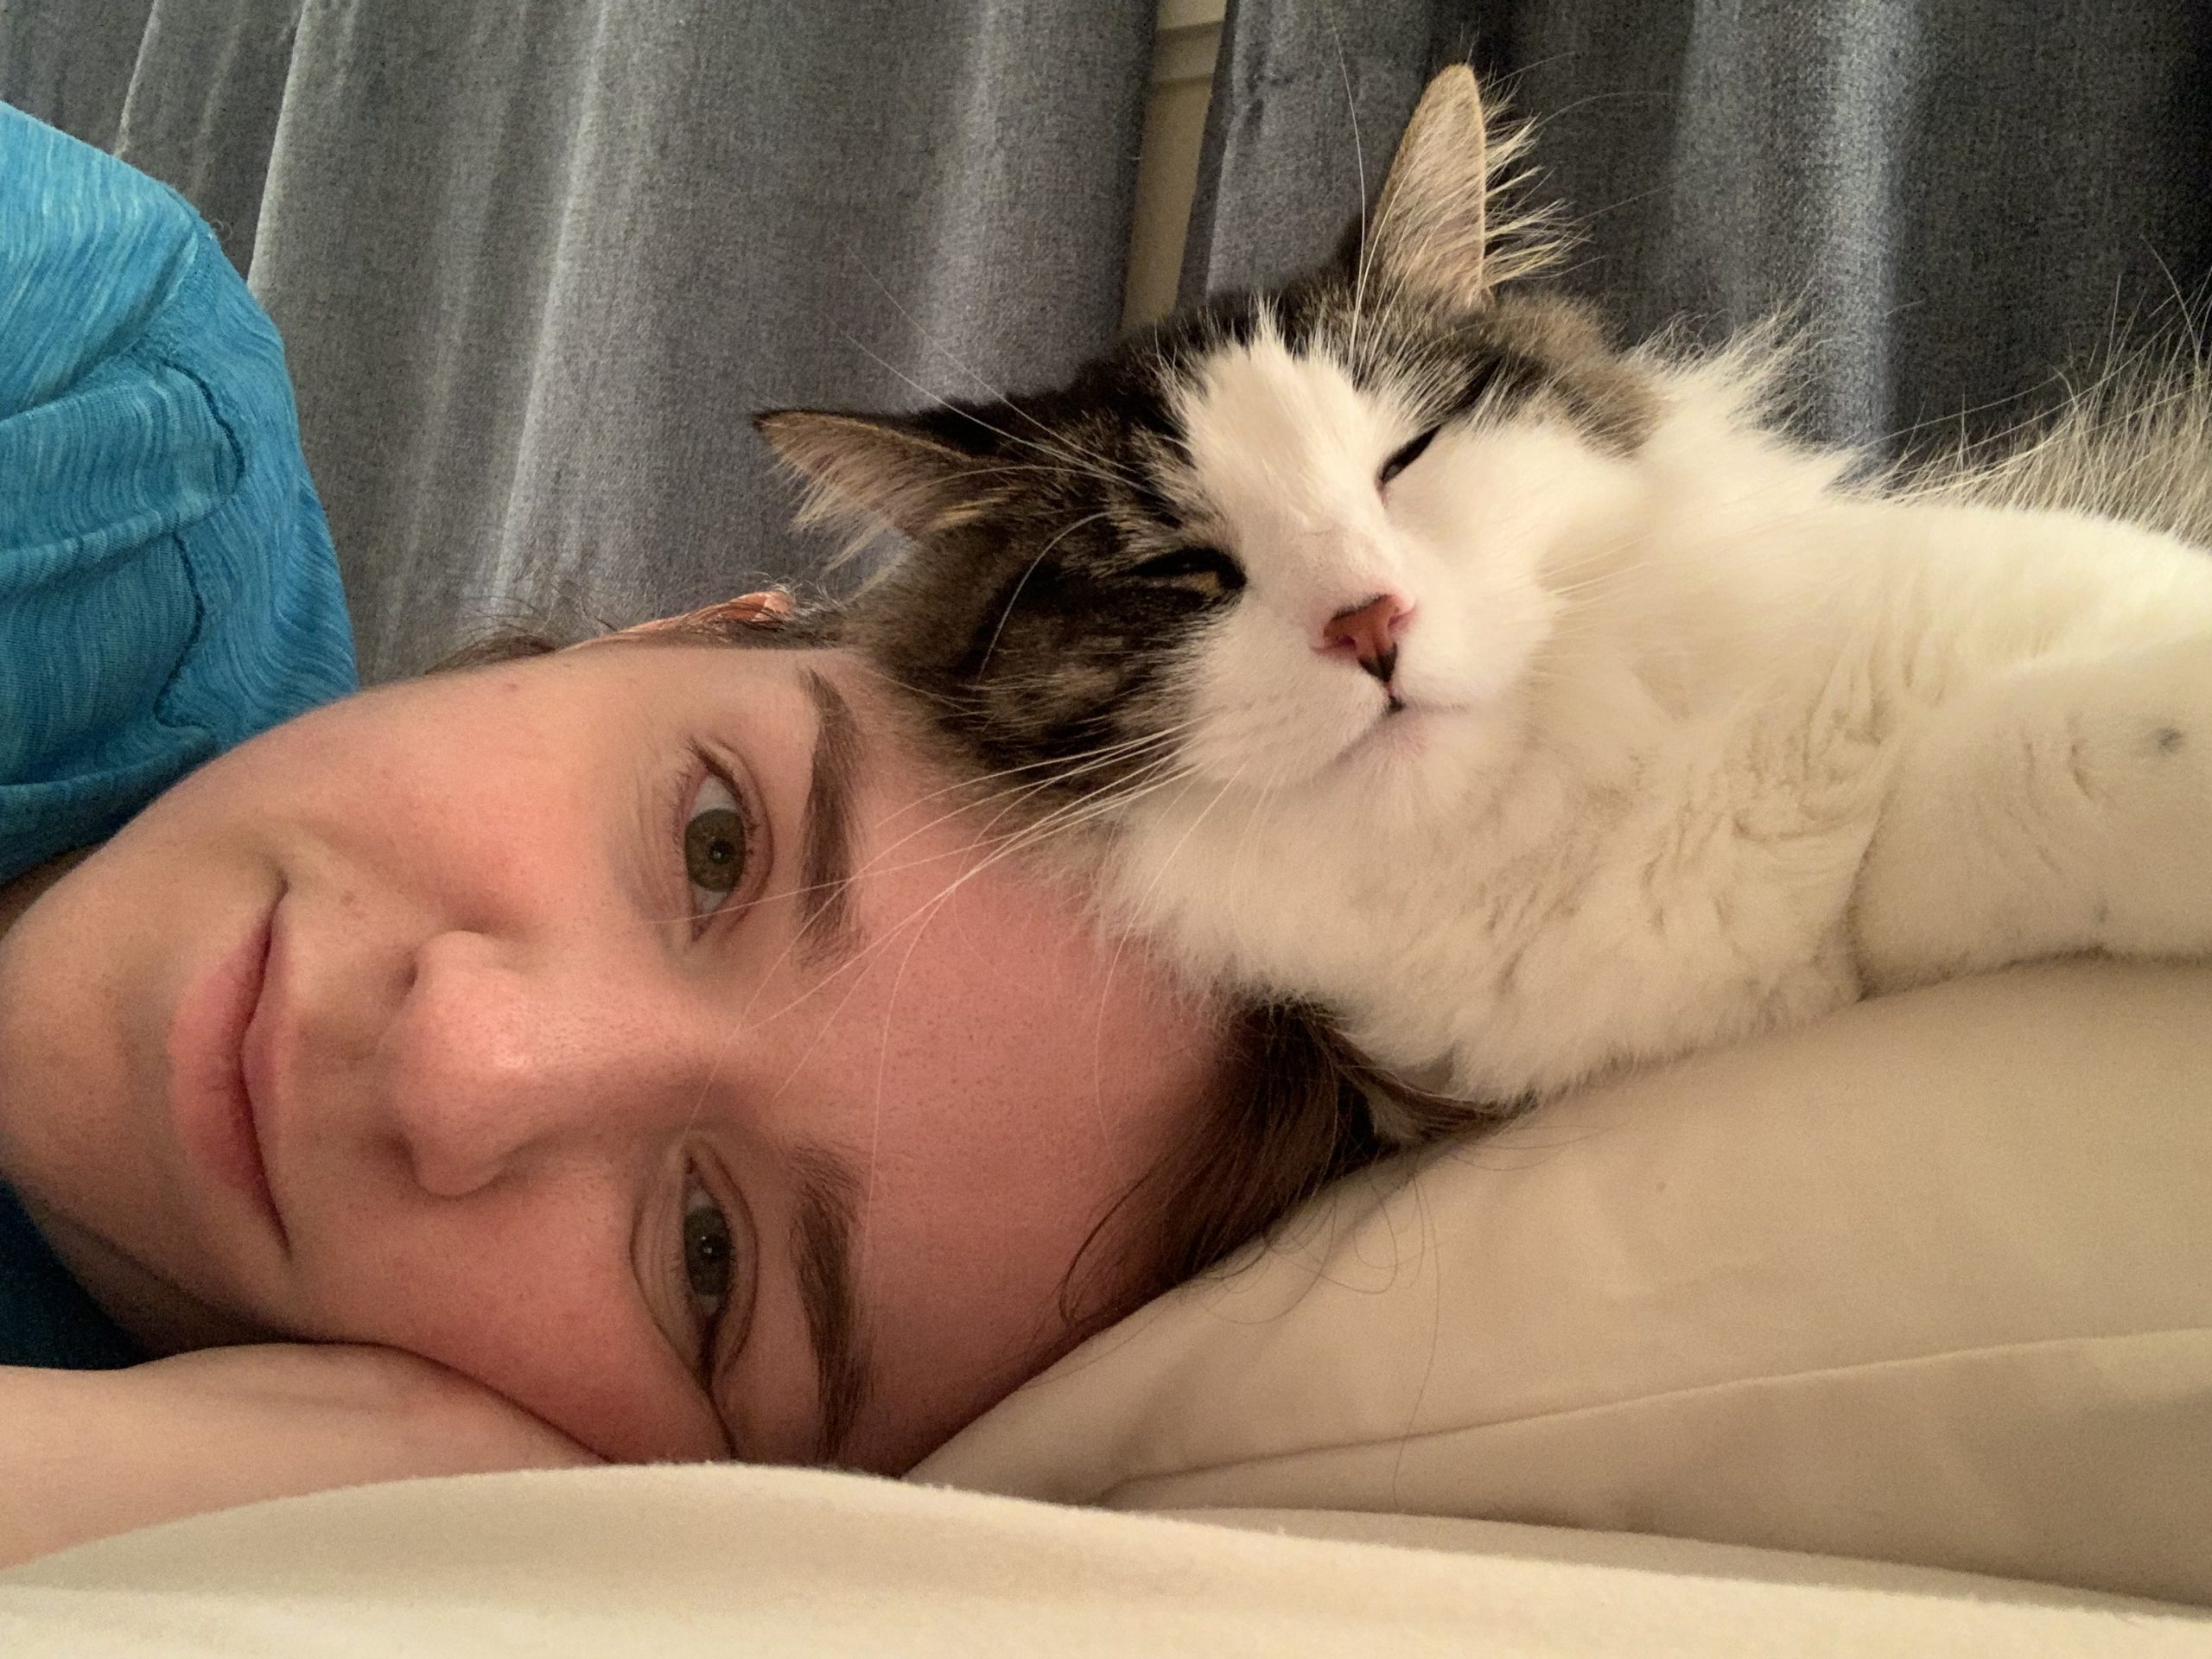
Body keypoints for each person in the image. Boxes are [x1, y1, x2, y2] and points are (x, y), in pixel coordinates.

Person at [0, 105, 1379, 1561]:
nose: (461, 1064)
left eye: (706, 1263)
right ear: (678, 632)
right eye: (715, 846)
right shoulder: (82, 400)